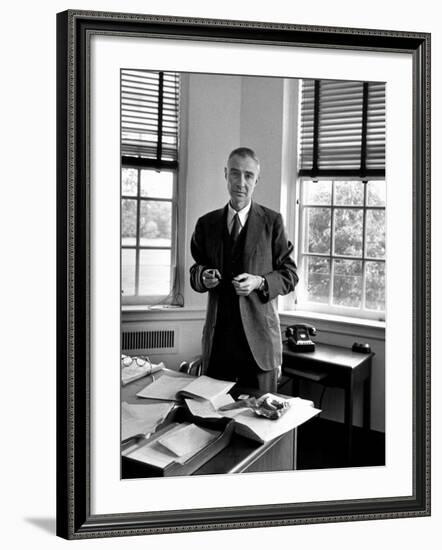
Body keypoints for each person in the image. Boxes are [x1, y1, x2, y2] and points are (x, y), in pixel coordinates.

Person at [189, 147, 298, 393]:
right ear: (225, 174)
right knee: (214, 421)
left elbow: (290, 275)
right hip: (219, 347)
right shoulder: (206, 224)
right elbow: (195, 271)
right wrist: (203, 277)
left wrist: (260, 282)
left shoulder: (273, 222)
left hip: (259, 347)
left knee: (260, 425)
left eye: (248, 176)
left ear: (256, 180)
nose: (241, 182)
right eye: (235, 174)